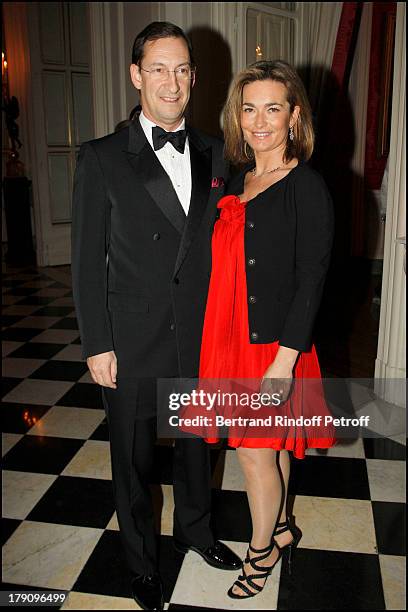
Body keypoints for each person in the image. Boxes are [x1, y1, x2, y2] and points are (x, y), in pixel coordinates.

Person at [71, 21, 241, 611]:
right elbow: (88, 263)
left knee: (197, 446)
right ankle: (142, 562)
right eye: (159, 69)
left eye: (183, 69)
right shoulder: (100, 158)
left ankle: (195, 530)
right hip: (131, 337)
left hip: (199, 334)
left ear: (195, 78)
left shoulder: (219, 153)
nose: (172, 82)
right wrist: (97, 343)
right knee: (133, 460)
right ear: (137, 75)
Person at [190, 60, 337, 599]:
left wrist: (284, 362)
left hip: (273, 348)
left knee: (253, 454)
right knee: (266, 450)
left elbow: (312, 279)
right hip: (229, 340)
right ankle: (280, 528)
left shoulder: (307, 187)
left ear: (294, 116)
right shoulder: (236, 180)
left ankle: (261, 553)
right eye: (249, 108)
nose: (259, 121)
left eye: (273, 109)